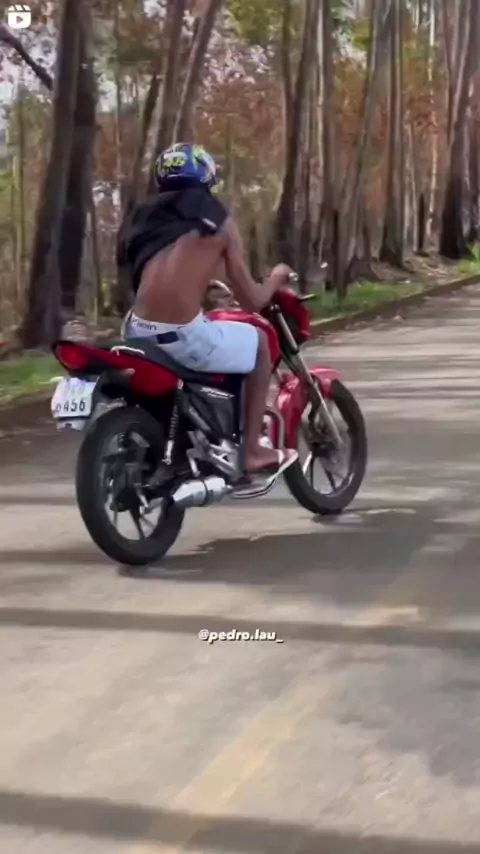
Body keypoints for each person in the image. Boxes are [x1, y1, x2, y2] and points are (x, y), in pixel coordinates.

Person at [117, 142, 298, 481]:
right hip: (181, 337)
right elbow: (253, 301)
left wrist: (200, 289)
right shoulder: (217, 219)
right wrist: (276, 277)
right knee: (259, 342)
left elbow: (153, 279)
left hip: (135, 331)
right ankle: (252, 452)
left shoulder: (143, 219)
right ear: (206, 175)